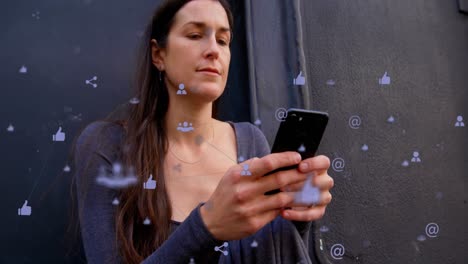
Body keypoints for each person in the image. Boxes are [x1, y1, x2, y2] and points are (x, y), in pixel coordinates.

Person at [73, 0, 334, 263]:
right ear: (158, 55)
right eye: (195, 35)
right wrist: (206, 226)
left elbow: (273, 251)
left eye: (223, 40)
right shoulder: (106, 145)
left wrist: (298, 214)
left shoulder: (250, 141)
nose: (213, 50)